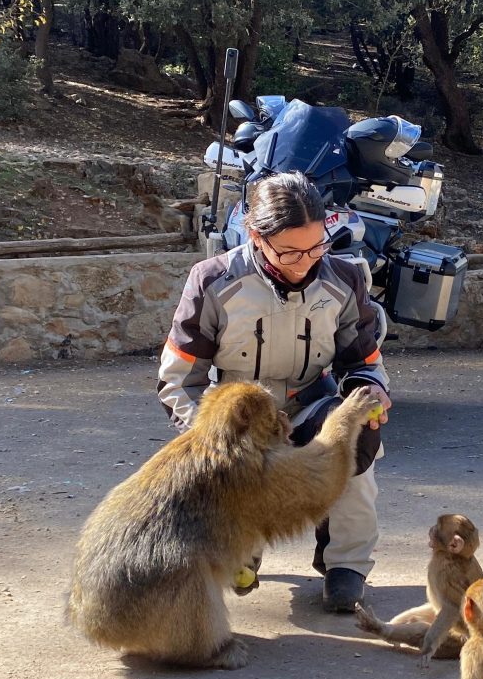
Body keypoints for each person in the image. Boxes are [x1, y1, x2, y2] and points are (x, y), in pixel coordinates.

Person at [157, 171, 391, 612]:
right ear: (254, 235)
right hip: (241, 418)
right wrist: (210, 438)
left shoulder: (344, 279)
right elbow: (178, 380)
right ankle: (242, 555)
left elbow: (362, 362)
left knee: (357, 443)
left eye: (316, 246)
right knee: (233, 476)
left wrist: (371, 391)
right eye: (289, 251)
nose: (305, 263)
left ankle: (346, 565)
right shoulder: (213, 281)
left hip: (310, 403)